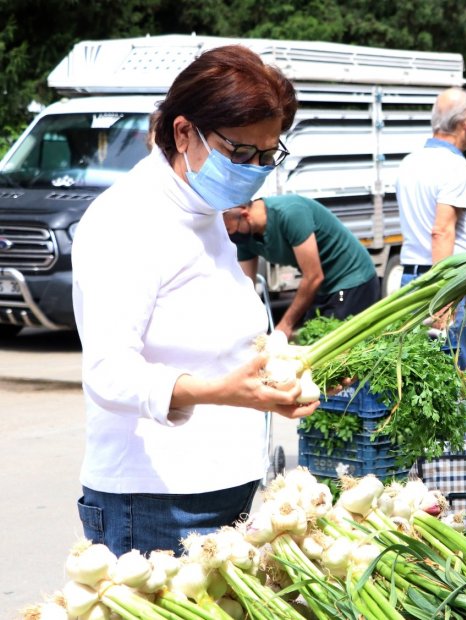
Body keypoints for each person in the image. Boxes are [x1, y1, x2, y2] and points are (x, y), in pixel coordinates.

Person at [71, 45, 320, 556]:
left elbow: (215, 339)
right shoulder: (128, 218)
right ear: (184, 132)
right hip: (158, 501)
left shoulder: (205, 210)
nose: (255, 170)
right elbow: (108, 373)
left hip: (226, 486)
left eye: (268, 154)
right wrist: (221, 390)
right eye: (241, 153)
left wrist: (292, 372)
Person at [395, 87, 466, 369]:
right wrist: (443, 301)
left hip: (412, 282)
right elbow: (442, 231)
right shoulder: (455, 167)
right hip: (450, 284)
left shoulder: (409, 163)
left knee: (420, 382)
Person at [223, 196, 380, 338]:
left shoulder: (290, 212)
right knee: (311, 337)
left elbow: (313, 277)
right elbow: (247, 287)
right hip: (322, 287)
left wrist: (285, 325)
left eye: (230, 230)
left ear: (245, 215)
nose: (231, 236)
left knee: (338, 350)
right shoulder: (245, 235)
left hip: (351, 279)